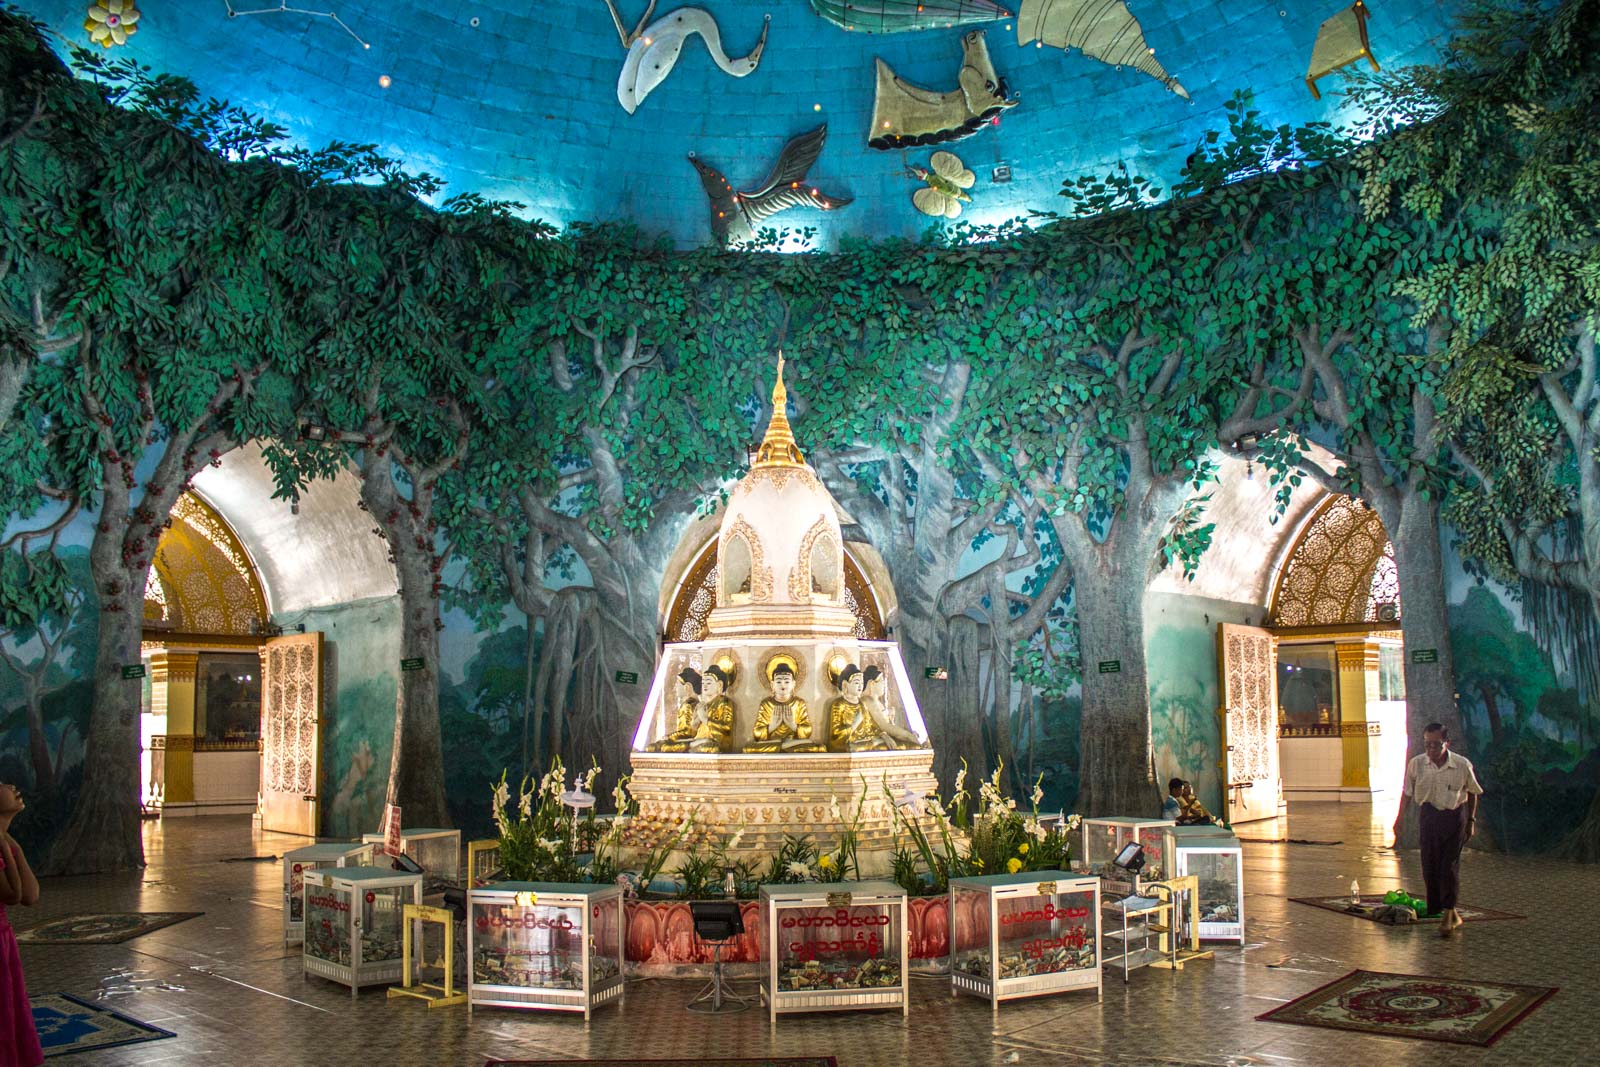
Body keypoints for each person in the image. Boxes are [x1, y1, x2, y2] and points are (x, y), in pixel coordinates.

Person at [1398, 722, 1483, 936]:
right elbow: (1407, 793)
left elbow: (1473, 792)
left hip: (1454, 818)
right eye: (1427, 745)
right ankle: (1445, 910)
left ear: (1447, 743)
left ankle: (1448, 913)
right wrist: (1399, 819)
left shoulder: (1462, 765)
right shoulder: (1417, 764)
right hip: (1428, 817)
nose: (1431, 750)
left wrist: (1471, 821)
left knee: (1449, 866)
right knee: (1430, 866)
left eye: (1436, 745)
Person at [0, 781, 43, 1067]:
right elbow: (13, 895)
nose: (11, 786)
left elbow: (31, 895)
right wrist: (5, 846)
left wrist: (11, 843)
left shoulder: (5, 840)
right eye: (1, 785)